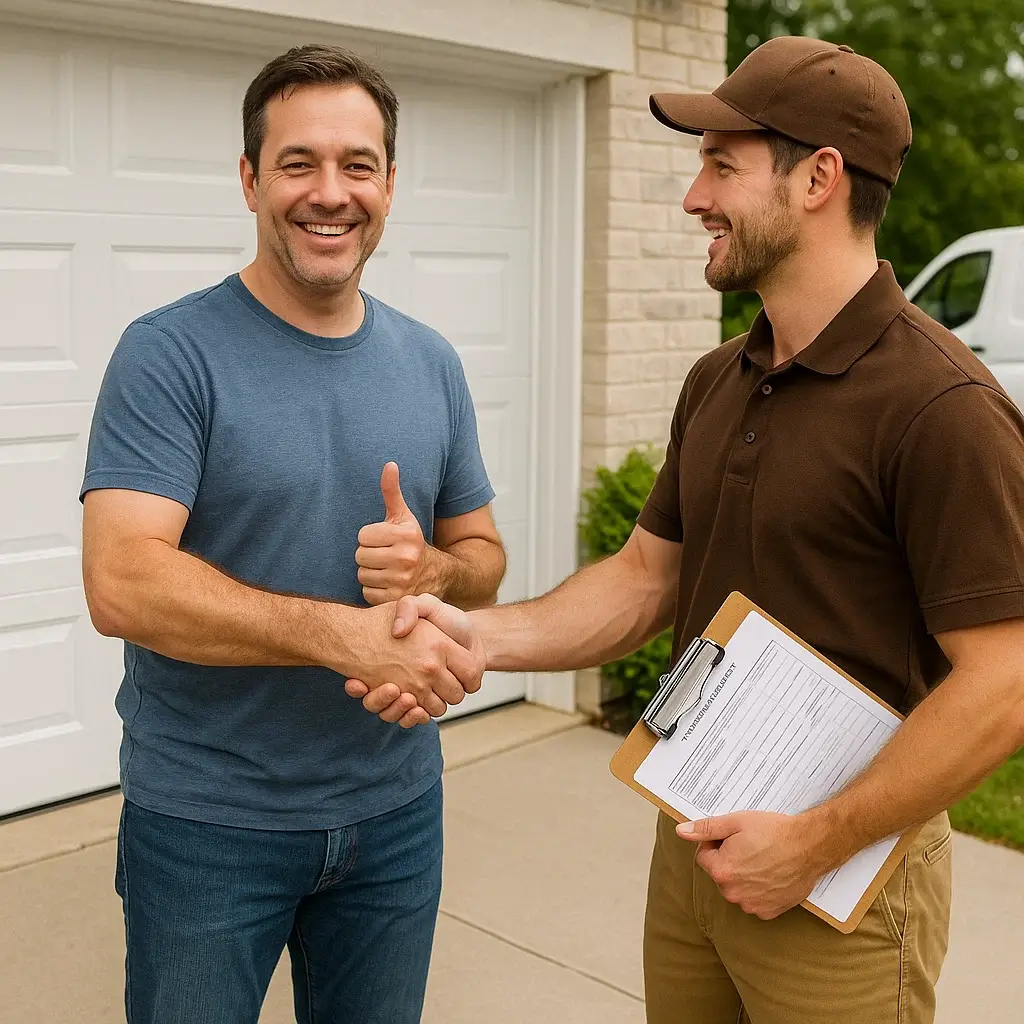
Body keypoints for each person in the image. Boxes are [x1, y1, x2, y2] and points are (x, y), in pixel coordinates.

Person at [349, 36, 1024, 1024]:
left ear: (818, 179)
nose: (692, 197)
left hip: (841, 880)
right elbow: (642, 578)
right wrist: (476, 635)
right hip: (698, 840)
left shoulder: (940, 406)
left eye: (721, 163)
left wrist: (817, 839)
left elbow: (1002, 685)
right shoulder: (719, 378)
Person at [80, 44, 502, 1024]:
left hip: (396, 814)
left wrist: (432, 567)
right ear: (249, 180)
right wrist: (343, 633)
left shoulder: (430, 362)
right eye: (298, 163)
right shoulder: (170, 354)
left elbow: (483, 562)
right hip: (207, 822)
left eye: (358, 164)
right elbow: (122, 582)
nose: (330, 192)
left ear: (390, 184)